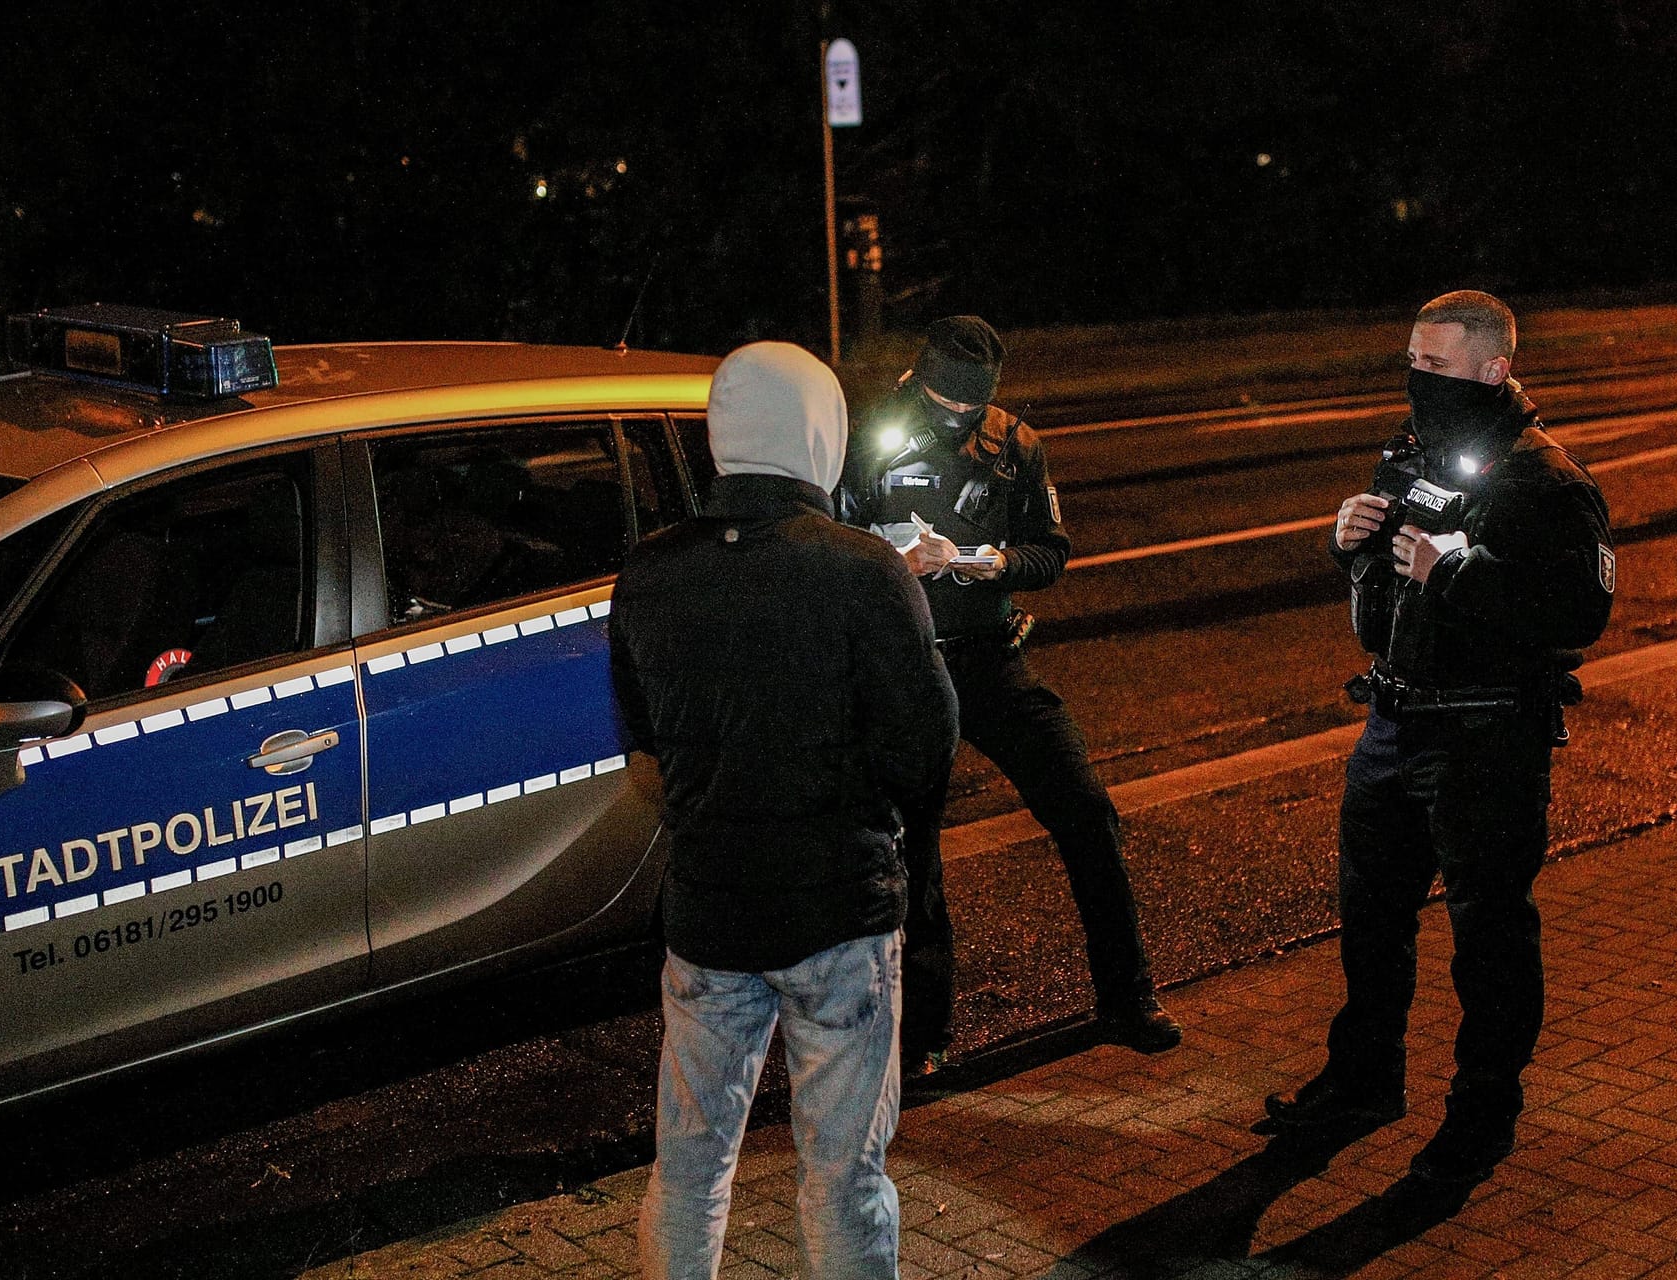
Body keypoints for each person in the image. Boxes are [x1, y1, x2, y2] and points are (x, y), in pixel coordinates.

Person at [611, 341, 959, 1280]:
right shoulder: (862, 572)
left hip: (709, 913)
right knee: (842, 1177)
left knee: (688, 1167)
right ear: (822, 435)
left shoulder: (648, 572)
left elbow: (640, 731)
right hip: (837, 915)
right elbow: (926, 751)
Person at [1265, 291, 1615, 1185]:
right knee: (1370, 919)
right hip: (1392, 722)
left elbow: (1581, 611)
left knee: (1488, 935)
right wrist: (1348, 543)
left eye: (1437, 365)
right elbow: (1385, 584)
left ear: (1494, 369)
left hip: (1486, 739)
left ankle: (1482, 1111)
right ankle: (1363, 1079)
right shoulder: (1413, 451)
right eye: (1412, 361)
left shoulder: (1547, 479)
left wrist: (1458, 567)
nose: (1417, 379)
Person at [839, 315, 1181, 1075]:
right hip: (905, 666)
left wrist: (975, 560)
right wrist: (890, 562)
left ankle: (1128, 996)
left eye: (972, 411)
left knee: (1086, 811)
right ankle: (920, 1038)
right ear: (917, 382)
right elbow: (831, 540)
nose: (959, 421)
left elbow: (1050, 553)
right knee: (915, 854)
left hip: (990, 659)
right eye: (944, 406)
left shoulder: (1015, 442)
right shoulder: (866, 436)